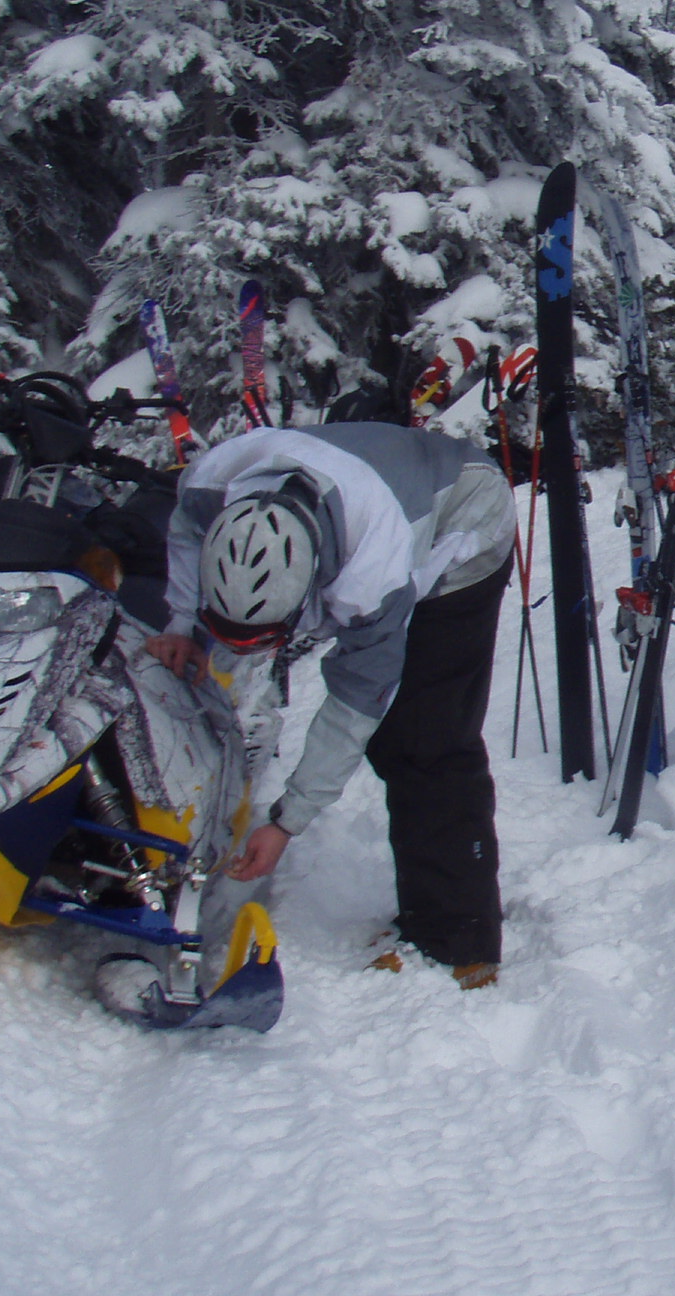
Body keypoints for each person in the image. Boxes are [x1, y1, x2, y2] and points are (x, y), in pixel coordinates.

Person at [146, 422, 517, 985]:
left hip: (463, 516)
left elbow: (356, 700)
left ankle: (456, 940)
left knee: (422, 737)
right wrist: (181, 623)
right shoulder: (208, 487)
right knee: (402, 728)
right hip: (365, 477)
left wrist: (288, 820)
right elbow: (184, 535)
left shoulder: (373, 573)